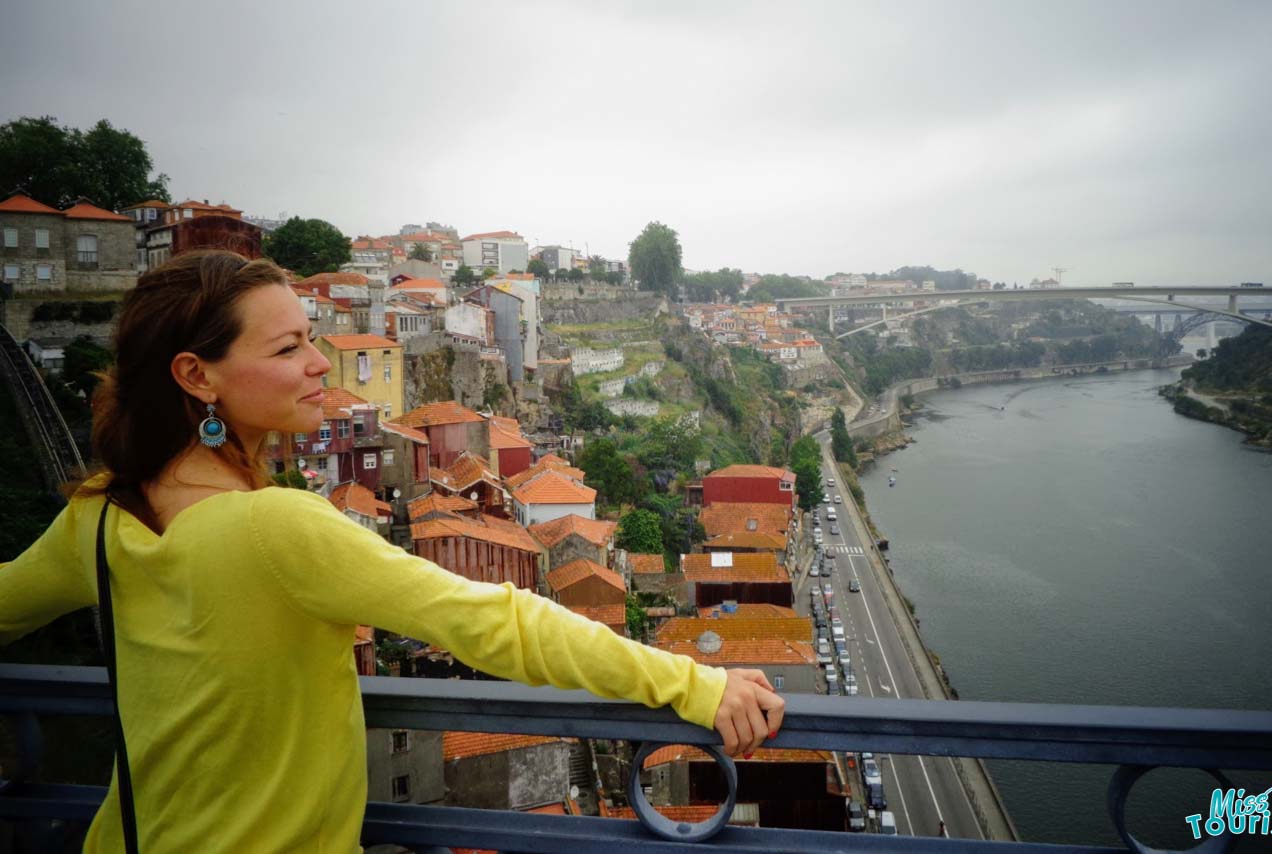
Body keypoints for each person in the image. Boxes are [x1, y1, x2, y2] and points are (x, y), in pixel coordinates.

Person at [0, 251, 785, 852]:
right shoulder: (279, 527)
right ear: (195, 376)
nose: (317, 363)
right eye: (287, 349)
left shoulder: (99, 518)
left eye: (312, 338)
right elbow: (495, 623)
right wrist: (692, 683)